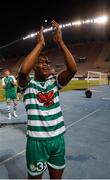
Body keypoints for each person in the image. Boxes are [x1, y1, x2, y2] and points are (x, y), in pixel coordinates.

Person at [18, 20, 77, 179]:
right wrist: (40, 45)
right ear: (34, 67)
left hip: (58, 140)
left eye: (47, 63)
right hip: (37, 143)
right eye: (41, 63)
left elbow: (72, 69)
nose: (46, 65)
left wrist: (60, 42)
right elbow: (23, 72)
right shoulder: (28, 86)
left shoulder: (54, 83)